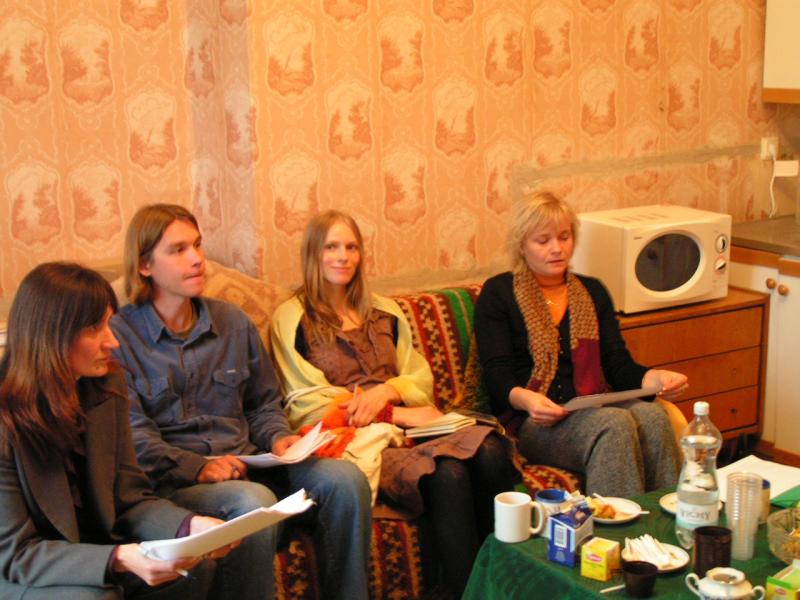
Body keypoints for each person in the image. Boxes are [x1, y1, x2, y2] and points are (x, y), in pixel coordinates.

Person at [110, 204, 371, 600]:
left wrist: (280, 439)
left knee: (344, 479)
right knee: (251, 502)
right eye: (178, 250)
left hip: (250, 463)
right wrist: (199, 467)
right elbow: (133, 437)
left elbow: (263, 404)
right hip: (176, 483)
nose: (197, 259)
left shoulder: (233, 322)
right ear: (145, 265)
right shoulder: (119, 336)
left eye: (197, 245)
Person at [269, 210, 519, 596]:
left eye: (351, 247)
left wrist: (387, 392)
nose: (343, 256)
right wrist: (385, 411)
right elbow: (305, 402)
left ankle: (506, 578)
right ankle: (466, 592)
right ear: (313, 254)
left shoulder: (384, 309)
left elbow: (419, 379)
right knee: (448, 474)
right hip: (357, 442)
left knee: (491, 451)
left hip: (411, 426)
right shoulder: (292, 318)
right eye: (331, 247)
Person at [0, 262, 241, 599]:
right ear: (51, 336)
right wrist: (118, 558)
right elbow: (15, 555)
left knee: (195, 569)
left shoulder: (105, 387)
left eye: (109, 324)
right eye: (94, 328)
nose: (112, 342)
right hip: (25, 570)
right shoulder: (6, 419)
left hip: (94, 551)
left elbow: (129, 498)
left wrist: (190, 526)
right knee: (93, 597)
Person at [474, 191, 687, 498]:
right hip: (533, 421)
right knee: (613, 423)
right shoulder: (499, 293)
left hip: (591, 405)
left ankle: (669, 517)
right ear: (521, 245)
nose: (556, 248)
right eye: (543, 240)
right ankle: (611, 524)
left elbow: (616, 364)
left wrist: (655, 379)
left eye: (564, 237)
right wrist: (528, 400)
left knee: (653, 416)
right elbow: (497, 375)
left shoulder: (592, 291)